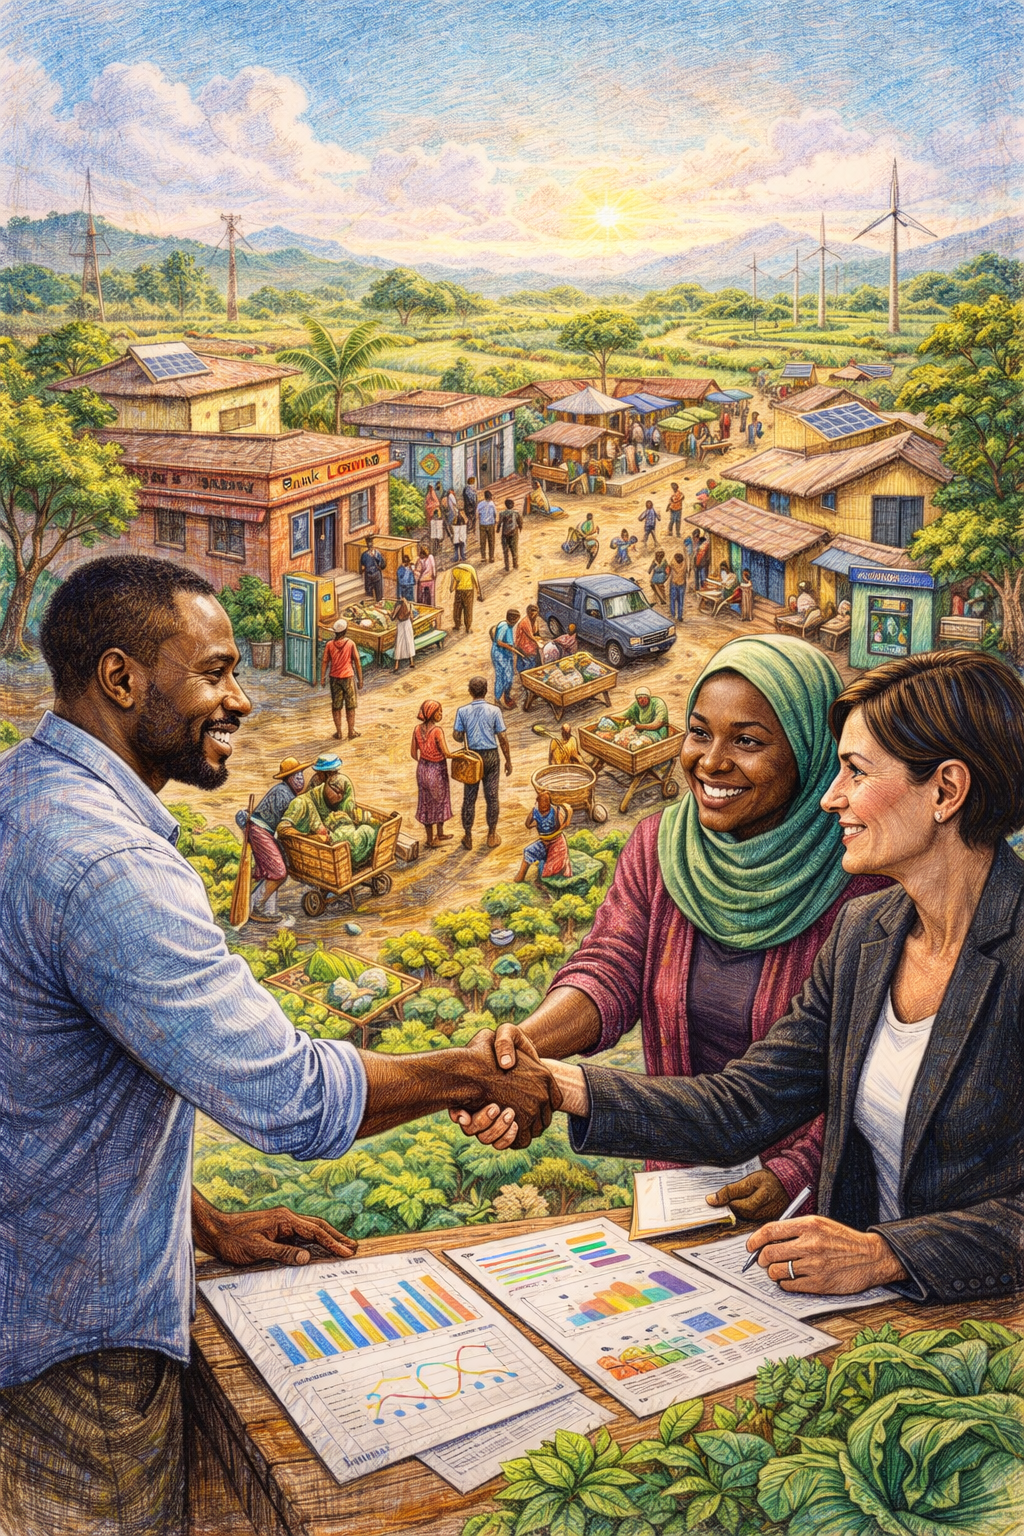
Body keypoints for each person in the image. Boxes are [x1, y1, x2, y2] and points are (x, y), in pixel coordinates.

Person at [0, 556, 559, 1536]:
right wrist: (470, 1073)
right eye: (215, 672)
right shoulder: (111, 866)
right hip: (75, 1359)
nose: (241, 700)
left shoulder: (24, 796)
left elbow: (47, 1098)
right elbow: (291, 1098)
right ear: (124, 680)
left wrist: (208, 1227)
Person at [495, 652, 1024, 1305]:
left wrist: (887, 1254)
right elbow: (743, 1105)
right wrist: (557, 1082)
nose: (831, 797)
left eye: (855, 772)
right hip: (854, 1307)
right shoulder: (867, 935)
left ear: (945, 791)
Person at [454, 636, 888, 1233]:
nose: (710, 762)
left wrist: (794, 1172)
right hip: (680, 1192)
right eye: (699, 732)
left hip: (815, 1217)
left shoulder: (864, 884)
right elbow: (610, 971)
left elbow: (874, 1079)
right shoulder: (661, 848)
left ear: (812, 751)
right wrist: (519, 1048)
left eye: (748, 741)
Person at [237, 755, 310, 926]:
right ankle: (257, 907)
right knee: (278, 871)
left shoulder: (288, 792)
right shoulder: (284, 794)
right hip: (260, 831)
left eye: (301, 774)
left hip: (263, 831)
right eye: (296, 776)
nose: (300, 779)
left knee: (274, 869)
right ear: (288, 778)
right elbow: (290, 824)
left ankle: (266, 909)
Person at [278, 755, 378, 866]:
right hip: (317, 843)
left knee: (364, 832)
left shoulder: (339, 784)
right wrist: (310, 837)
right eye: (331, 772)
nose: (334, 775)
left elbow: (350, 811)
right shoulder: (304, 801)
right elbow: (283, 829)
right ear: (326, 773)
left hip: (329, 834)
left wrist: (372, 820)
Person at [453, 676, 512, 850]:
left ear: (470, 692)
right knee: (492, 797)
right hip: (491, 757)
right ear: (486, 691)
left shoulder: (462, 711)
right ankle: (492, 834)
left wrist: (464, 733)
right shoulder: (494, 711)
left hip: (472, 758)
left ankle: (468, 836)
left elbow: (457, 736)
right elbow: (502, 737)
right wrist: (508, 761)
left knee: (469, 798)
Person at [410, 700, 453, 848]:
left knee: (426, 802)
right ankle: (433, 838)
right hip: (437, 769)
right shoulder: (437, 731)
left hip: (422, 768)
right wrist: (460, 756)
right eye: (439, 712)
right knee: (440, 800)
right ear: (432, 714)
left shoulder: (416, 729)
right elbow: (446, 753)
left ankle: (436, 835)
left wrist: (425, 759)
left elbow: (413, 753)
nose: (441, 714)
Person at [514, 790, 573, 885]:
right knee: (528, 851)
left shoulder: (555, 811)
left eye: (546, 804)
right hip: (544, 842)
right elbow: (528, 824)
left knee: (548, 871)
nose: (544, 806)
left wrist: (569, 814)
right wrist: (534, 822)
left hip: (557, 842)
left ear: (550, 803)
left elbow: (564, 824)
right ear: (538, 803)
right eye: (541, 804)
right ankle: (521, 875)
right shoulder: (535, 812)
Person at [320, 616, 363, 740]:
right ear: (345, 631)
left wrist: (322, 678)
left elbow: (324, 662)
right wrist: (360, 679)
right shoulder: (350, 644)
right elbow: (357, 662)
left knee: (336, 707)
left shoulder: (329, 645)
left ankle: (339, 732)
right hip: (348, 677)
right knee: (351, 706)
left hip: (334, 678)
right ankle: (351, 732)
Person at [490, 607, 520, 710]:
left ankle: (506, 696)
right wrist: (512, 649)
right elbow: (499, 642)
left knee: (509, 676)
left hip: (506, 654)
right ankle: (498, 699)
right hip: (500, 654)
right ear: (512, 619)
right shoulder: (504, 626)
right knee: (502, 677)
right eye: (516, 620)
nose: (516, 622)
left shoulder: (509, 626)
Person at [450, 557, 483, 634]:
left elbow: (455, 581)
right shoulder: (471, 570)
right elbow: (476, 581)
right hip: (468, 591)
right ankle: (468, 627)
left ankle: (457, 625)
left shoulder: (456, 570)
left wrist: (452, 589)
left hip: (459, 591)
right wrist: (478, 592)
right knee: (468, 609)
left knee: (457, 608)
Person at [513, 604, 542, 675]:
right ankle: (526, 673)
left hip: (527, 642)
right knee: (530, 656)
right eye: (532, 612)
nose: (534, 615)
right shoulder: (525, 622)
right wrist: (538, 642)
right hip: (523, 643)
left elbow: (535, 633)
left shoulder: (534, 621)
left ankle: (524, 671)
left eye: (535, 612)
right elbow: (530, 635)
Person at [392, 594, 416, 673]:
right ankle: (411, 661)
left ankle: (396, 665)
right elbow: (412, 617)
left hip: (401, 624)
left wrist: (388, 613)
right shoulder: (409, 604)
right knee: (409, 641)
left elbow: (393, 617)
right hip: (408, 623)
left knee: (399, 643)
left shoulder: (398, 605)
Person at [668, 548, 691, 625]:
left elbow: (670, 565)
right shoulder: (684, 565)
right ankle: (680, 616)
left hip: (674, 583)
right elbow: (687, 569)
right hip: (682, 584)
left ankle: (672, 614)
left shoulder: (673, 564)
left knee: (672, 600)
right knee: (680, 601)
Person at [500, 497, 523, 572]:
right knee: (514, 549)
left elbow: (500, 523)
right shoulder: (516, 513)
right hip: (513, 533)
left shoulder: (502, 513)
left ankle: (507, 566)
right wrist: (520, 528)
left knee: (505, 550)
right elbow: (520, 522)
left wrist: (497, 529)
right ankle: (515, 565)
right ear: (512, 505)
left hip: (505, 533)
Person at [359, 535, 385, 601]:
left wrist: (375, 557)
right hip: (368, 576)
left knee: (379, 595)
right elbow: (362, 565)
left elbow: (382, 564)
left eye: (370, 543)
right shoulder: (364, 555)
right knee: (369, 595)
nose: (370, 545)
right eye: (368, 544)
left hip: (376, 574)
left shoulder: (377, 553)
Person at [477, 489, 497, 563]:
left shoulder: (480, 504)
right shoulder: (492, 504)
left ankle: (483, 557)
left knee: (483, 541)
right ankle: (491, 557)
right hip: (491, 524)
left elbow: (477, 513)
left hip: (482, 524)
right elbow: (495, 513)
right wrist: (494, 519)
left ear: (484, 496)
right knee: (491, 541)